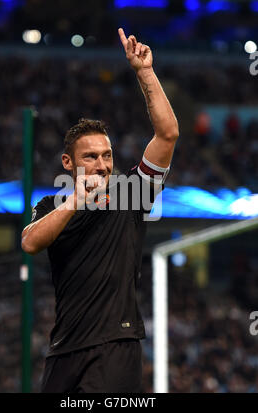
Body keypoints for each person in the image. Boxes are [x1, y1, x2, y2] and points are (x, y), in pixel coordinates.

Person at [21, 28, 179, 393]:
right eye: (90, 156)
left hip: (115, 346)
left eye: (106, 155)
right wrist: (77, 200)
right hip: (63, 349)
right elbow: (30, 243)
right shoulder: (52, 205)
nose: (101, 164)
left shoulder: (132, 193)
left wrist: (144, 73)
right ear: (68, 162)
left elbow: (167, 134)